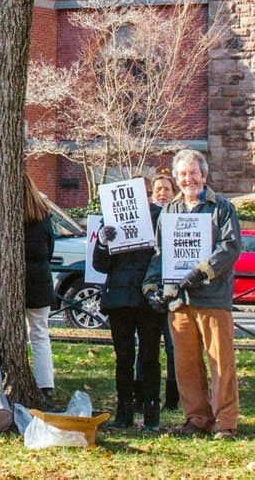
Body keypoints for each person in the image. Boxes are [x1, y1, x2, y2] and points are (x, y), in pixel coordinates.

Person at [143, 149, 240, 440]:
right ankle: (197, 418)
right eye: (182, 174)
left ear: (204, 175)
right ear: (176, 177)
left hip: (212, 298)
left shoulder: (221, 207)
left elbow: (230, 249)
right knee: (186, 365)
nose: (188, 179)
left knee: (221, 363)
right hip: (179, 301)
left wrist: (199, 272)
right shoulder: (169, 211)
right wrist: (150, 287)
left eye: (193, 173)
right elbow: (160, 254)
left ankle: (225, 423)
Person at [94, 200, 164, 431]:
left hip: (146, 297)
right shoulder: (112, 219)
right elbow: (100, 265)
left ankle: (151, 411)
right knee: (123, 358)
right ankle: (124, 411)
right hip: (120, 299)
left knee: (149, 356)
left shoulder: (159, 217)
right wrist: (103, 242)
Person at [21, 174, 56, 406]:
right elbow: (50, 246)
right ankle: (45, 384)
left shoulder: (12, 215)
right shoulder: (43, 212)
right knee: (40, 333)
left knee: (17, 334)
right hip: (40, 279)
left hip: (18, 278)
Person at [147, 170, 179, 411]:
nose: (162, 193)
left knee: (173, 347)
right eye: (158, 189)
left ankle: (173, 397)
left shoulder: (180, 214)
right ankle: (144, 395)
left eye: (167, 189)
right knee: (146, 348)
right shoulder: (144, 217)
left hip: (174, 292)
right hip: (148, 290)